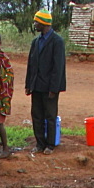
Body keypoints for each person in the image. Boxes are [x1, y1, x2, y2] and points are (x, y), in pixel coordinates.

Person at [25, 10, 66, 155]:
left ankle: (50, 145)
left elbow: (58, 67)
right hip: (36, 85)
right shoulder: (36, 42)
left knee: (50, 116)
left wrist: (54, 88)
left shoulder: (57, 41)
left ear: (43, 23)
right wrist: (29, 85)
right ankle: (39, 143)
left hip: (50, 87)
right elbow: (31, 64)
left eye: (36, 22)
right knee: (36, 115)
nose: (34, 24)